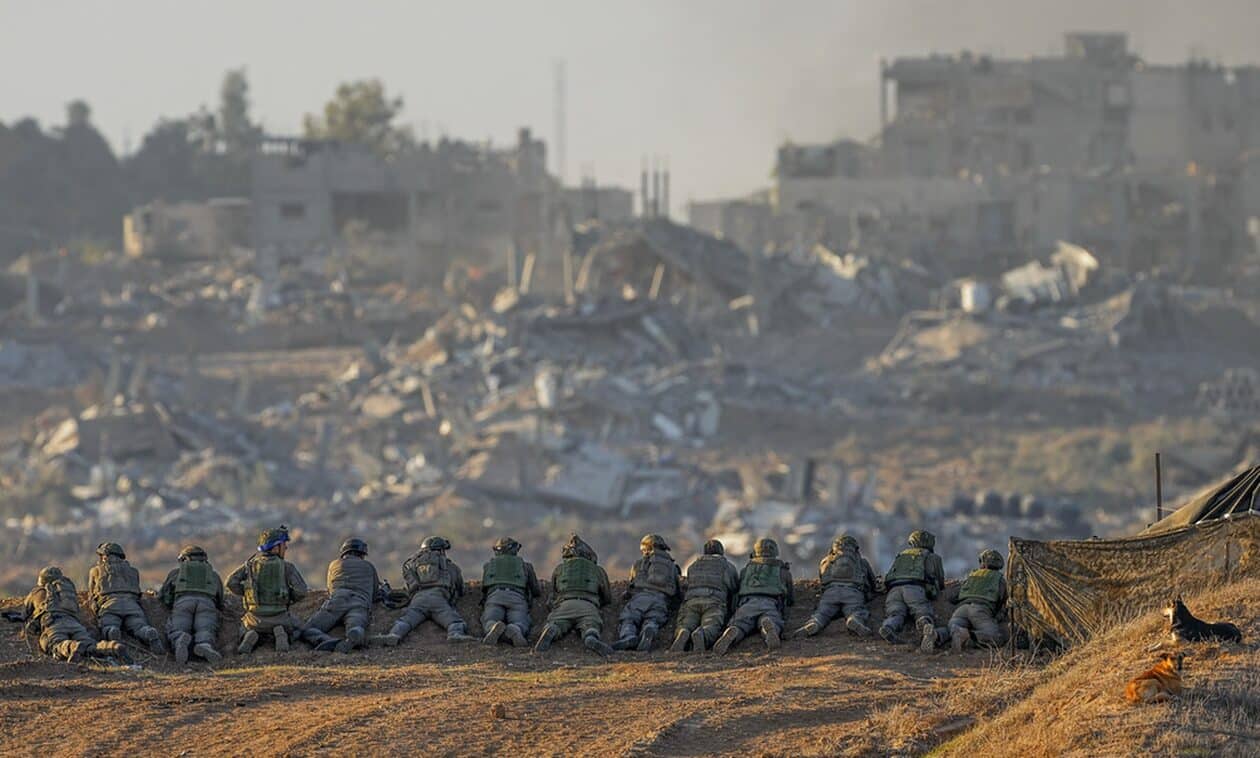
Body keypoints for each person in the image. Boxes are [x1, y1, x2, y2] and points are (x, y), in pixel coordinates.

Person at [375, 536, 473, 646]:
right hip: (439, 600)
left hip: (418, 600)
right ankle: (455, 634)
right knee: (455, 622)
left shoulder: (412, 565)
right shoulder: (450, 566)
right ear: (441, 550)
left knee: (405, 621)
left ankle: (393, 635)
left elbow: (410, 586)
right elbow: (460, 589)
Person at [226, 526, 309, 654]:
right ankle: (281, 633)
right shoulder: (287, 567)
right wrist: (289, 597)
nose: (286, 548)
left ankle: (251, 635)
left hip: (254, 619)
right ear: (275, 548)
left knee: (245, 627)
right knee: (299, 628)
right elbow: (301, 591)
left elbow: (230, 582)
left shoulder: (250, 566)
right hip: (280, 617)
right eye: (283, 545)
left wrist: (248, 593)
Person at [21, 566, 127, 662]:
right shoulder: (68, 591)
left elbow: (24, 614)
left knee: (53, 644)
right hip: (74, 624)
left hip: (54, 624)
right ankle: (111, 647)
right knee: (89, 644)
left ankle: (72, 646)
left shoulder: (36, 592)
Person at [533, 534, 614, 657]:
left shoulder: (559, 569)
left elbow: (553, 594)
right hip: (588, 605)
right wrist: (598, 604)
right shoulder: (598, 570)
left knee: (557, 623)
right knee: (591, 624)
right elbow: (607, 597)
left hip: (564, 604)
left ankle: (552, 629)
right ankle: (590, 637)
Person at [712, 538, 794, 655]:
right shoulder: (782, 570)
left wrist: (734, 610)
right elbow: (790, 596)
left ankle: (733, 631)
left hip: (747, 603)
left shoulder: (746, 570)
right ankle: (768, 628)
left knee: (741, 624)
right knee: (772, 620)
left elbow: (737, 592)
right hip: (770, 603)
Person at [302, 538, 383, 653]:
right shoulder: (369, 566)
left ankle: (326, 640)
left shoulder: (334, 565)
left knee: (309, 629)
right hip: (359, 603)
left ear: (344, 552)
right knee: (357, 625)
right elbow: (375, 593)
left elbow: (330, 589)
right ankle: (354, 635)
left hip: (337, 601)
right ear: (362, 554)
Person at [792, 534, 877, 639]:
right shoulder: (862, 562)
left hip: (830, 594)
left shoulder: (825, 561)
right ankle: (854, 620)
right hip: (853, 593)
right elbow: (873, 583)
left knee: (822, 613)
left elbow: (822, 580)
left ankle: (815, 623)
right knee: (856, 611)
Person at [88, 542, 165, 654]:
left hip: (110, 605)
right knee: (139, 626)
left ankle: (112, 631)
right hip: (132, 605)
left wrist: (95, 610)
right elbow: (138, 594)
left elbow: (91, 596)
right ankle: (148, 632)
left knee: (108, 625)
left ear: (104, 557)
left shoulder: (95, 571)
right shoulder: (133, 571)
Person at [879, 529, 946, 653]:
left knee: (895, 613)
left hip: (894, 590)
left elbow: (890, 575)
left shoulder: (901, 555)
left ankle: (888, 626)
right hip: (915, 588)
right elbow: (940, 580)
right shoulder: (932, 557)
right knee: (921, 610)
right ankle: (925, 625)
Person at [612, 534, 682, 651]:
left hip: (640, 598)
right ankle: (649, 628)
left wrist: (625, 596)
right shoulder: (672, 567)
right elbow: (677, 592)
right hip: (660, 600)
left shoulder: (638, 564)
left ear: (646, 548)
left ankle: (628, 636)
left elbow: (630, 586)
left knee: (629, 619)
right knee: (653, 619)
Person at [668, 538, 739, 654]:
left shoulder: (693, 565)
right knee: (711, 624)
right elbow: (734, 587)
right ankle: (702, 635)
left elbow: (687, 584)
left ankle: (684, 632)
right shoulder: (727, 566)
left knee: (687, 621)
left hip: (691, 601)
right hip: (714, 601)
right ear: (721, 552)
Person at [158, 545, 225, 664]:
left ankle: (180, 638)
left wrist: (170, 604)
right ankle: (204, 644)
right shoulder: (213, 574)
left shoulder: (176, 572)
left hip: (183, 602)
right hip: (207, 603)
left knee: (178, 628)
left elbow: (164, 594)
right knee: (206, 629)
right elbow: (220, 597)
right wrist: (218, 607)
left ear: (184, 558)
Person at [480, 537, 542, 647]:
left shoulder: (488, 565)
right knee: (521, 622)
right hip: (517, 598)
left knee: (489, 620)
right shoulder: (525, 565)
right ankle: (515, 628)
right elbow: (536, 590)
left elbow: (484, 588)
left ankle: (493, 627)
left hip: (495, 597)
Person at [948, 549, 1008, 652]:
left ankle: (937, 635)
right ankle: (968, 636)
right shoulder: (1000, 580)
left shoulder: (972, 575)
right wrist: (998, 617)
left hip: (961, 609)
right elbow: (1004, 602)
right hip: (980, 610)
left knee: (953, 629)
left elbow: (954, 596)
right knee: (995, 637)